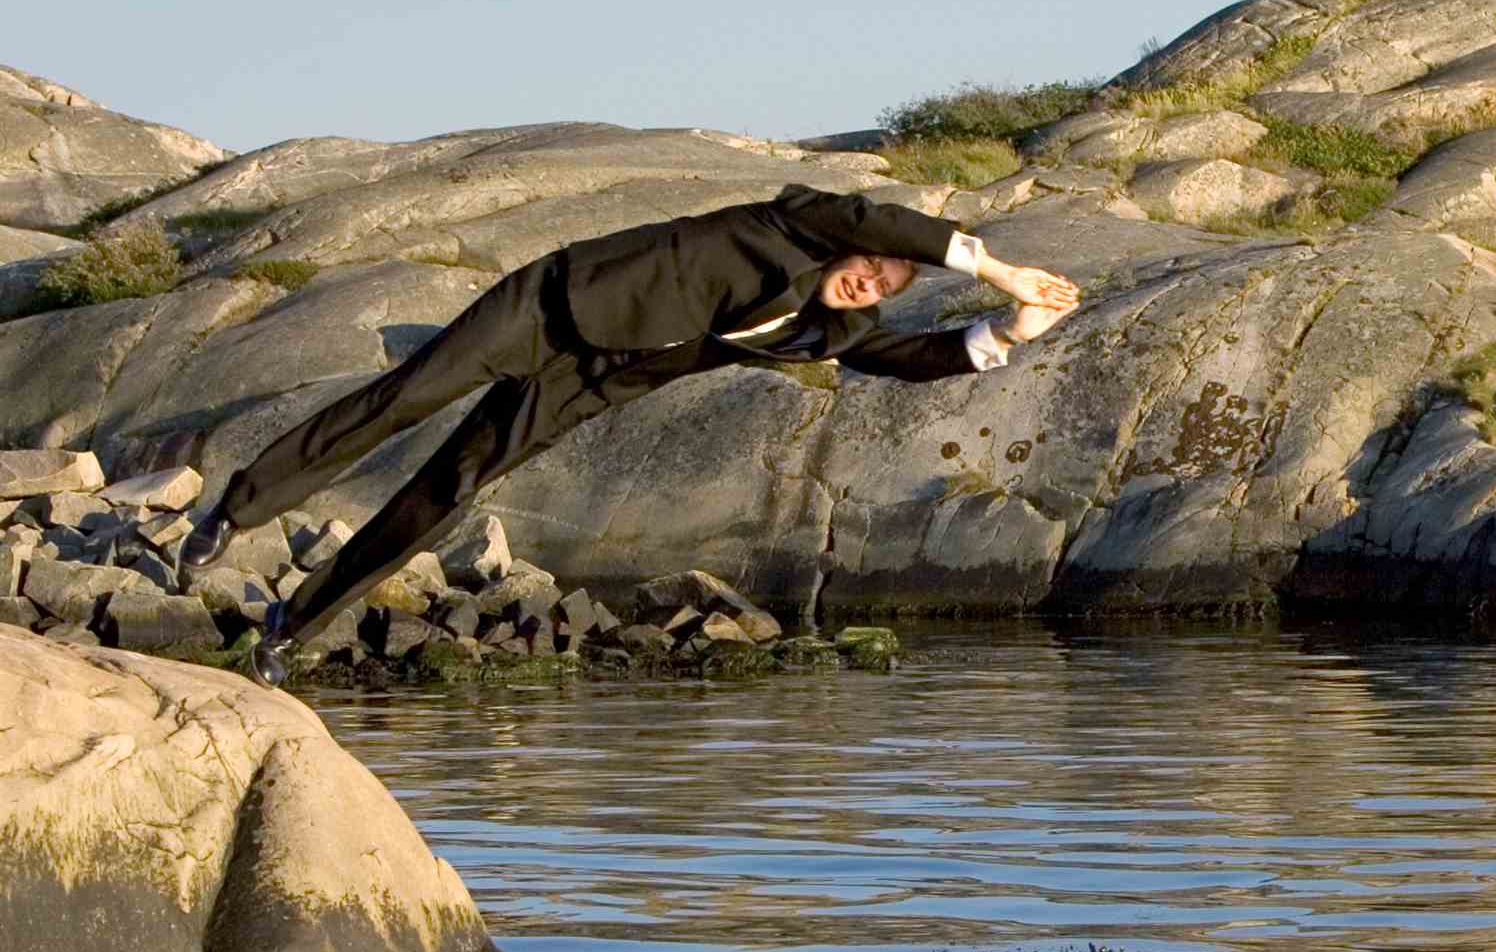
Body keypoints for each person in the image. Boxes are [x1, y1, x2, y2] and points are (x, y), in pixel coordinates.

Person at [179, 185, 1081, 688]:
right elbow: (870, 218)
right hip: (547, 308)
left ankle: (292, 625)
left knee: (449, 489)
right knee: (404, 400)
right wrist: (996, 266)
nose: (871, 282)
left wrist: (1007, 333)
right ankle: (239, 508)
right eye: (874, 267)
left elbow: (912, 359)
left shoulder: (837, 327)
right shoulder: (791, 224)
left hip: (588, 384)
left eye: (889, 284)